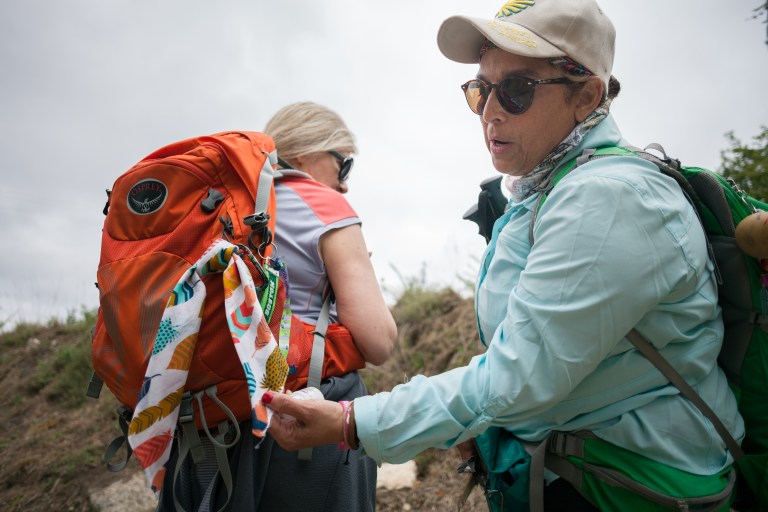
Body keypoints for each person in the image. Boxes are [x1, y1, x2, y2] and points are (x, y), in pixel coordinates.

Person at [263, 2, 744, 511]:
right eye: (480, 89)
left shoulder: (607, 199)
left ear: (586, 96)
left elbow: (519, 375)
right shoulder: (547, 190)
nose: (490, 110)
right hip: (589, 469)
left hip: (637, 483)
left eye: (517, 90)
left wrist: (352, 421)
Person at [161, 101, 397, 511]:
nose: (344, 185)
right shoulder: (324, 205)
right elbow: (379, 342)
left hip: (201, 416)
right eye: (344, 167)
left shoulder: (217, 208)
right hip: (297, 420)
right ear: (308, 153)